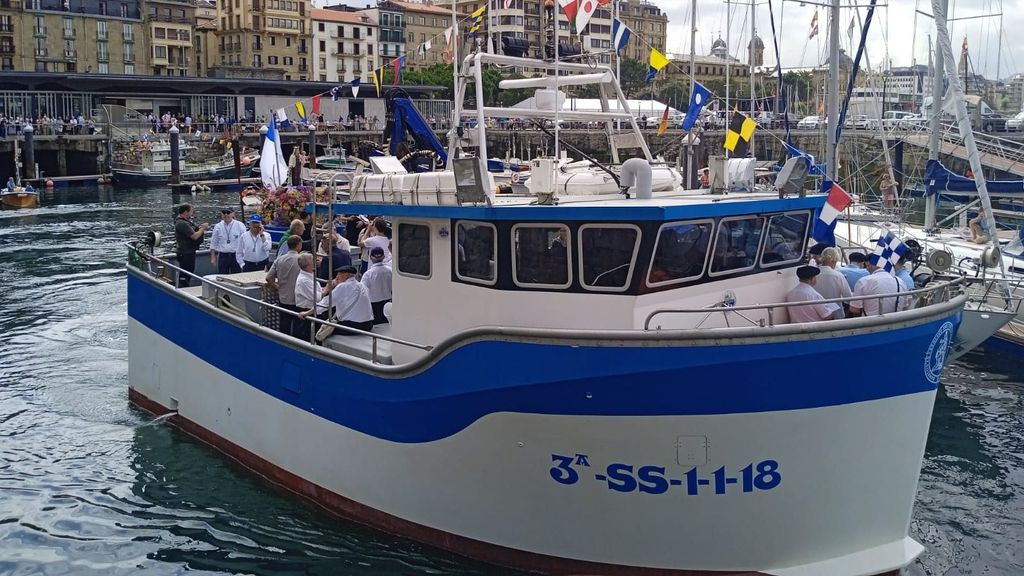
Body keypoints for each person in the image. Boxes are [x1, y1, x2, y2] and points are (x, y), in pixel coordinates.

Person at [301, 265, 374, 337]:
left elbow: (325, 304)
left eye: (339, 274)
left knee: (321, 332)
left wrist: (307, 313)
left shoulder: (342, 286)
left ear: (346, 275)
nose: (336, 277)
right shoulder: (361, 285)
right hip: (368, 324)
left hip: (354, 326)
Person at [266, 235, 303, 336]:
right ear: (299, 245)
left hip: (283, 297)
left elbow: (269, 277)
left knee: (284, 323)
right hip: (298, 299)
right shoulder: (301, 260)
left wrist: (277, 287)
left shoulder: (279, 260)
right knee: (298, 325)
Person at [174, 203, 207, 288]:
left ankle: (184, 286)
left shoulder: (186, 222)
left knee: (189, 272)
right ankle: (182, 288)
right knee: (185, 273)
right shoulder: (182, 223)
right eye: (191, 212)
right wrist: (202, 229)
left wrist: (198, 229)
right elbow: (194, 236)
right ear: (186, 212)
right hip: (185, 253)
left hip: (189, 252)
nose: (192, 214)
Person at [292, 252, 324, 341]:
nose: (315, 262)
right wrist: (328, 289)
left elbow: (318, 290)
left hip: (314, 312)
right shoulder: (304, 280)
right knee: (308, 338)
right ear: (308, 264)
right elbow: (317, 297)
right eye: (313, 260)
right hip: (307, 314)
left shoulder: (309, 276)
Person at [814, 248, 851, 317]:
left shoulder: (813, 274)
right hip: (835, 313)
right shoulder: (838, 275)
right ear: (834, 260)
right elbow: (848, 296)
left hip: (817, 313)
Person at [361, 247, 392, 324]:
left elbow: (363, 291)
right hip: (388, 303)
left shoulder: (368, 274)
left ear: (371, 257)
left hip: (374, 306)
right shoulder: (390, 271)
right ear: (383, 257)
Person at [209, 207, 245, 274]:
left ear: (233, 214)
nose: (226, 214)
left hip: (236, 255)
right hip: (223, 256)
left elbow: (245, 242)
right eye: (224, 213)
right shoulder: (218, 226)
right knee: (222, 276)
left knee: (237, 276)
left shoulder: (240, 225)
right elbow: (213, 243)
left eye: (228, 213)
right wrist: (213, 258)